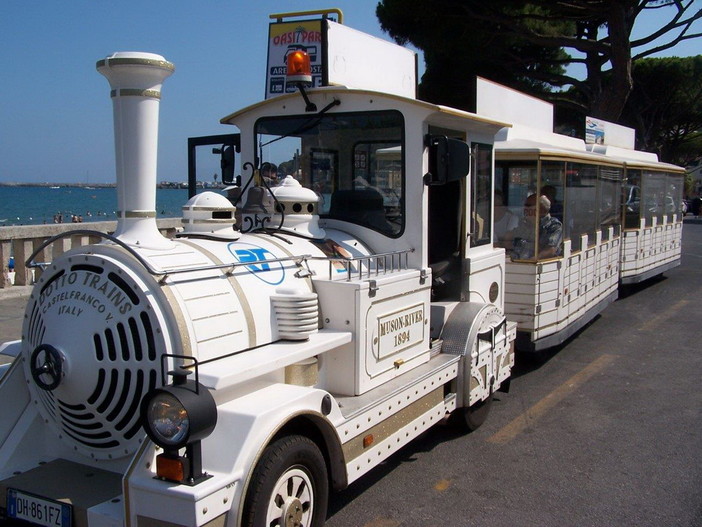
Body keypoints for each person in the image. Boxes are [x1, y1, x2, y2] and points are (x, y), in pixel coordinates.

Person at [506, 193, 563, 260]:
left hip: (537, 266)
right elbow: (508, 238)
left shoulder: (554, 226)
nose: (525, 208)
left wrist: (531, 261)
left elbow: (550, 250)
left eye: (528, 205)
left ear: (542, 209)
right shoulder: (524, 224)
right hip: (517, 263)